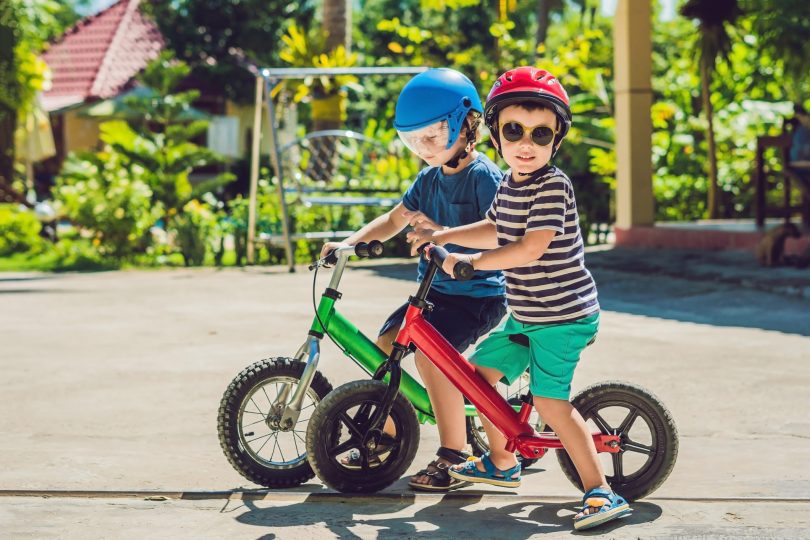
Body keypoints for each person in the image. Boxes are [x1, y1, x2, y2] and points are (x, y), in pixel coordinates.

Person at [408, 66, 631, 530]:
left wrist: (468, 264)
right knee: (477, 382)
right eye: (514, 130)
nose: (526, 143)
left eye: (540, 133)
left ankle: (601, 492)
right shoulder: (509, 184)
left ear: (556, 140)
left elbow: (529, 246)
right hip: (527, 314)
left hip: (563, 317)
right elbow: (494, 229)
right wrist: (446, 236)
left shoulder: (552, 186)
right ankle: (502, 464)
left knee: (550, 404)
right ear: (495, 135)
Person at [320, 68, 507, 491]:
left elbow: (499, 230)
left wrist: (445, 237)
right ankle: (386, 433)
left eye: (434, 136)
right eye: (415, 139)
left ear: (466, 125)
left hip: (477, 295)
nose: (424, 148)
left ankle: (454, 455)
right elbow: (392, 220)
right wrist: (348, 243)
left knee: (431, 357)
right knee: (387, 344)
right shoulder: (427, 179)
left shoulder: (484, 178)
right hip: (434, 293)